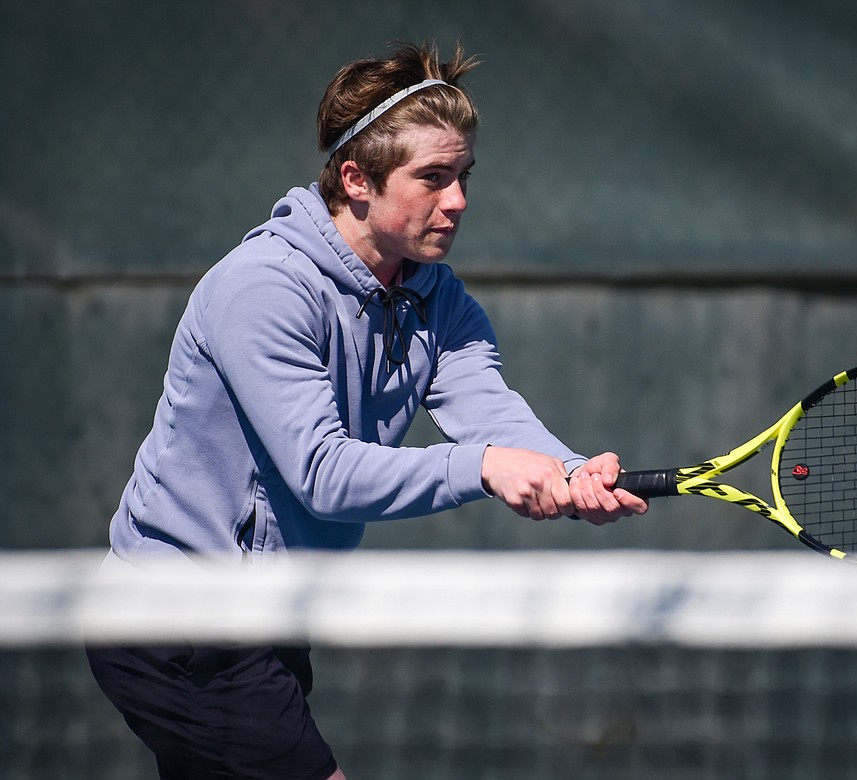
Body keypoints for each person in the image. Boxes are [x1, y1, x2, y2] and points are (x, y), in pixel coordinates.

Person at [86, 41, 647, 780]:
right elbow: (321, 473)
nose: (459, 201)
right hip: (174, 618)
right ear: (356, 180)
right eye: (434, 178)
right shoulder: (264, 289)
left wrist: (570, 474)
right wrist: (481, 468)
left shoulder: (438, 299)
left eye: (464, 176)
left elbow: (490, 413)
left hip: (269, 621)